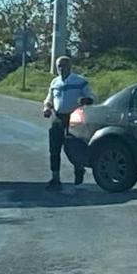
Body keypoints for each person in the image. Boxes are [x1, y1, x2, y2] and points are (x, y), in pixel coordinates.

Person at [43, 56, 94, 190]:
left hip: (75, 117)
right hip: (58, 117)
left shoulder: (80, 81)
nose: (61, 68)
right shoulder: (55, 82)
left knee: (73, 146)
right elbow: (49, 99)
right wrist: (47, 108)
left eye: (64, 65)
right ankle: (55, 178)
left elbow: (91, 97)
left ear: (70, 66)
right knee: (54, 148)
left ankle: (79, 169)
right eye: (59, 66)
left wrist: (85, 100)